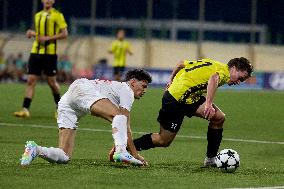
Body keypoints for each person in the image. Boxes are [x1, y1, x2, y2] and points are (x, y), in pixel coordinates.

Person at [113, 57, 253, 166]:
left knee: (219, 118)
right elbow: (213, 79)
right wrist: (208, 103)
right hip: (175, 100)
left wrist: (171, 80)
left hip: (190, 98)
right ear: (233, 68)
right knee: (163, 140)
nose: (239, 81)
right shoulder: (223, 72)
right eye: (240, 78)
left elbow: (181, 64)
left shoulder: (212, 63)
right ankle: (124, 148)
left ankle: (210, 159)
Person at [20, 69, 152, 167]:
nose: (145, 90)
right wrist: (132, 153)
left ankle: (35, 149)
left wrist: (119, 146)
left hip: (69, 100)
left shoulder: (118, 89)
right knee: (118, 116)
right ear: (133, 82)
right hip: (82, 89)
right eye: (144, 86)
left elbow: (122, 125)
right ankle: (121, 151)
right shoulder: (127, 90)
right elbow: (122, 121)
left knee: (64, 156)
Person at [14, 0, 68, 118]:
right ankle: (25, 109)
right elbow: (39, 34)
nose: (47, 0)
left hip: (50, 54)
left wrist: (48, 38)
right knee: (30, 80)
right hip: (35, 52)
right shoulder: (37, 15)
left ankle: (60, 108)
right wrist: (31, 33)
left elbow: (64, 33)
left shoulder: (58, 15)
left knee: (52, 82)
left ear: (53, 1)